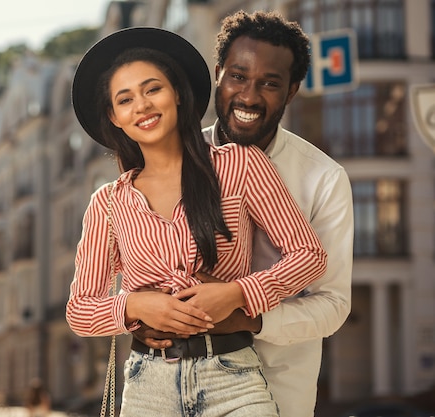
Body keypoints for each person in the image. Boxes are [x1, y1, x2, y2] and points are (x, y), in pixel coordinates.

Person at [66, 26, 328, 416]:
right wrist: (136, 305)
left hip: (233, 379)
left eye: (152, 89)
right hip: (146, 388)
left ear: (176, 92)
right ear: (115, 117)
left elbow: (309, 255)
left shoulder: (240, 165)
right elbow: (80, 310)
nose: (141, 105)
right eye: (125, 99)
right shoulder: (108, 203)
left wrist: (238, 293)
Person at [133, 10, 354, 417]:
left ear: (291, 91)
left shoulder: (324, 178)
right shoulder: (169, 160)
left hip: (278, 391)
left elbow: (333, 305)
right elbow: (127, 264)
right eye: (238, 76)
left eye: (270, 83)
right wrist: (138, 313)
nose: (249, 97)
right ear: (218, 73)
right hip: (170, 383)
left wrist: (245, 317)